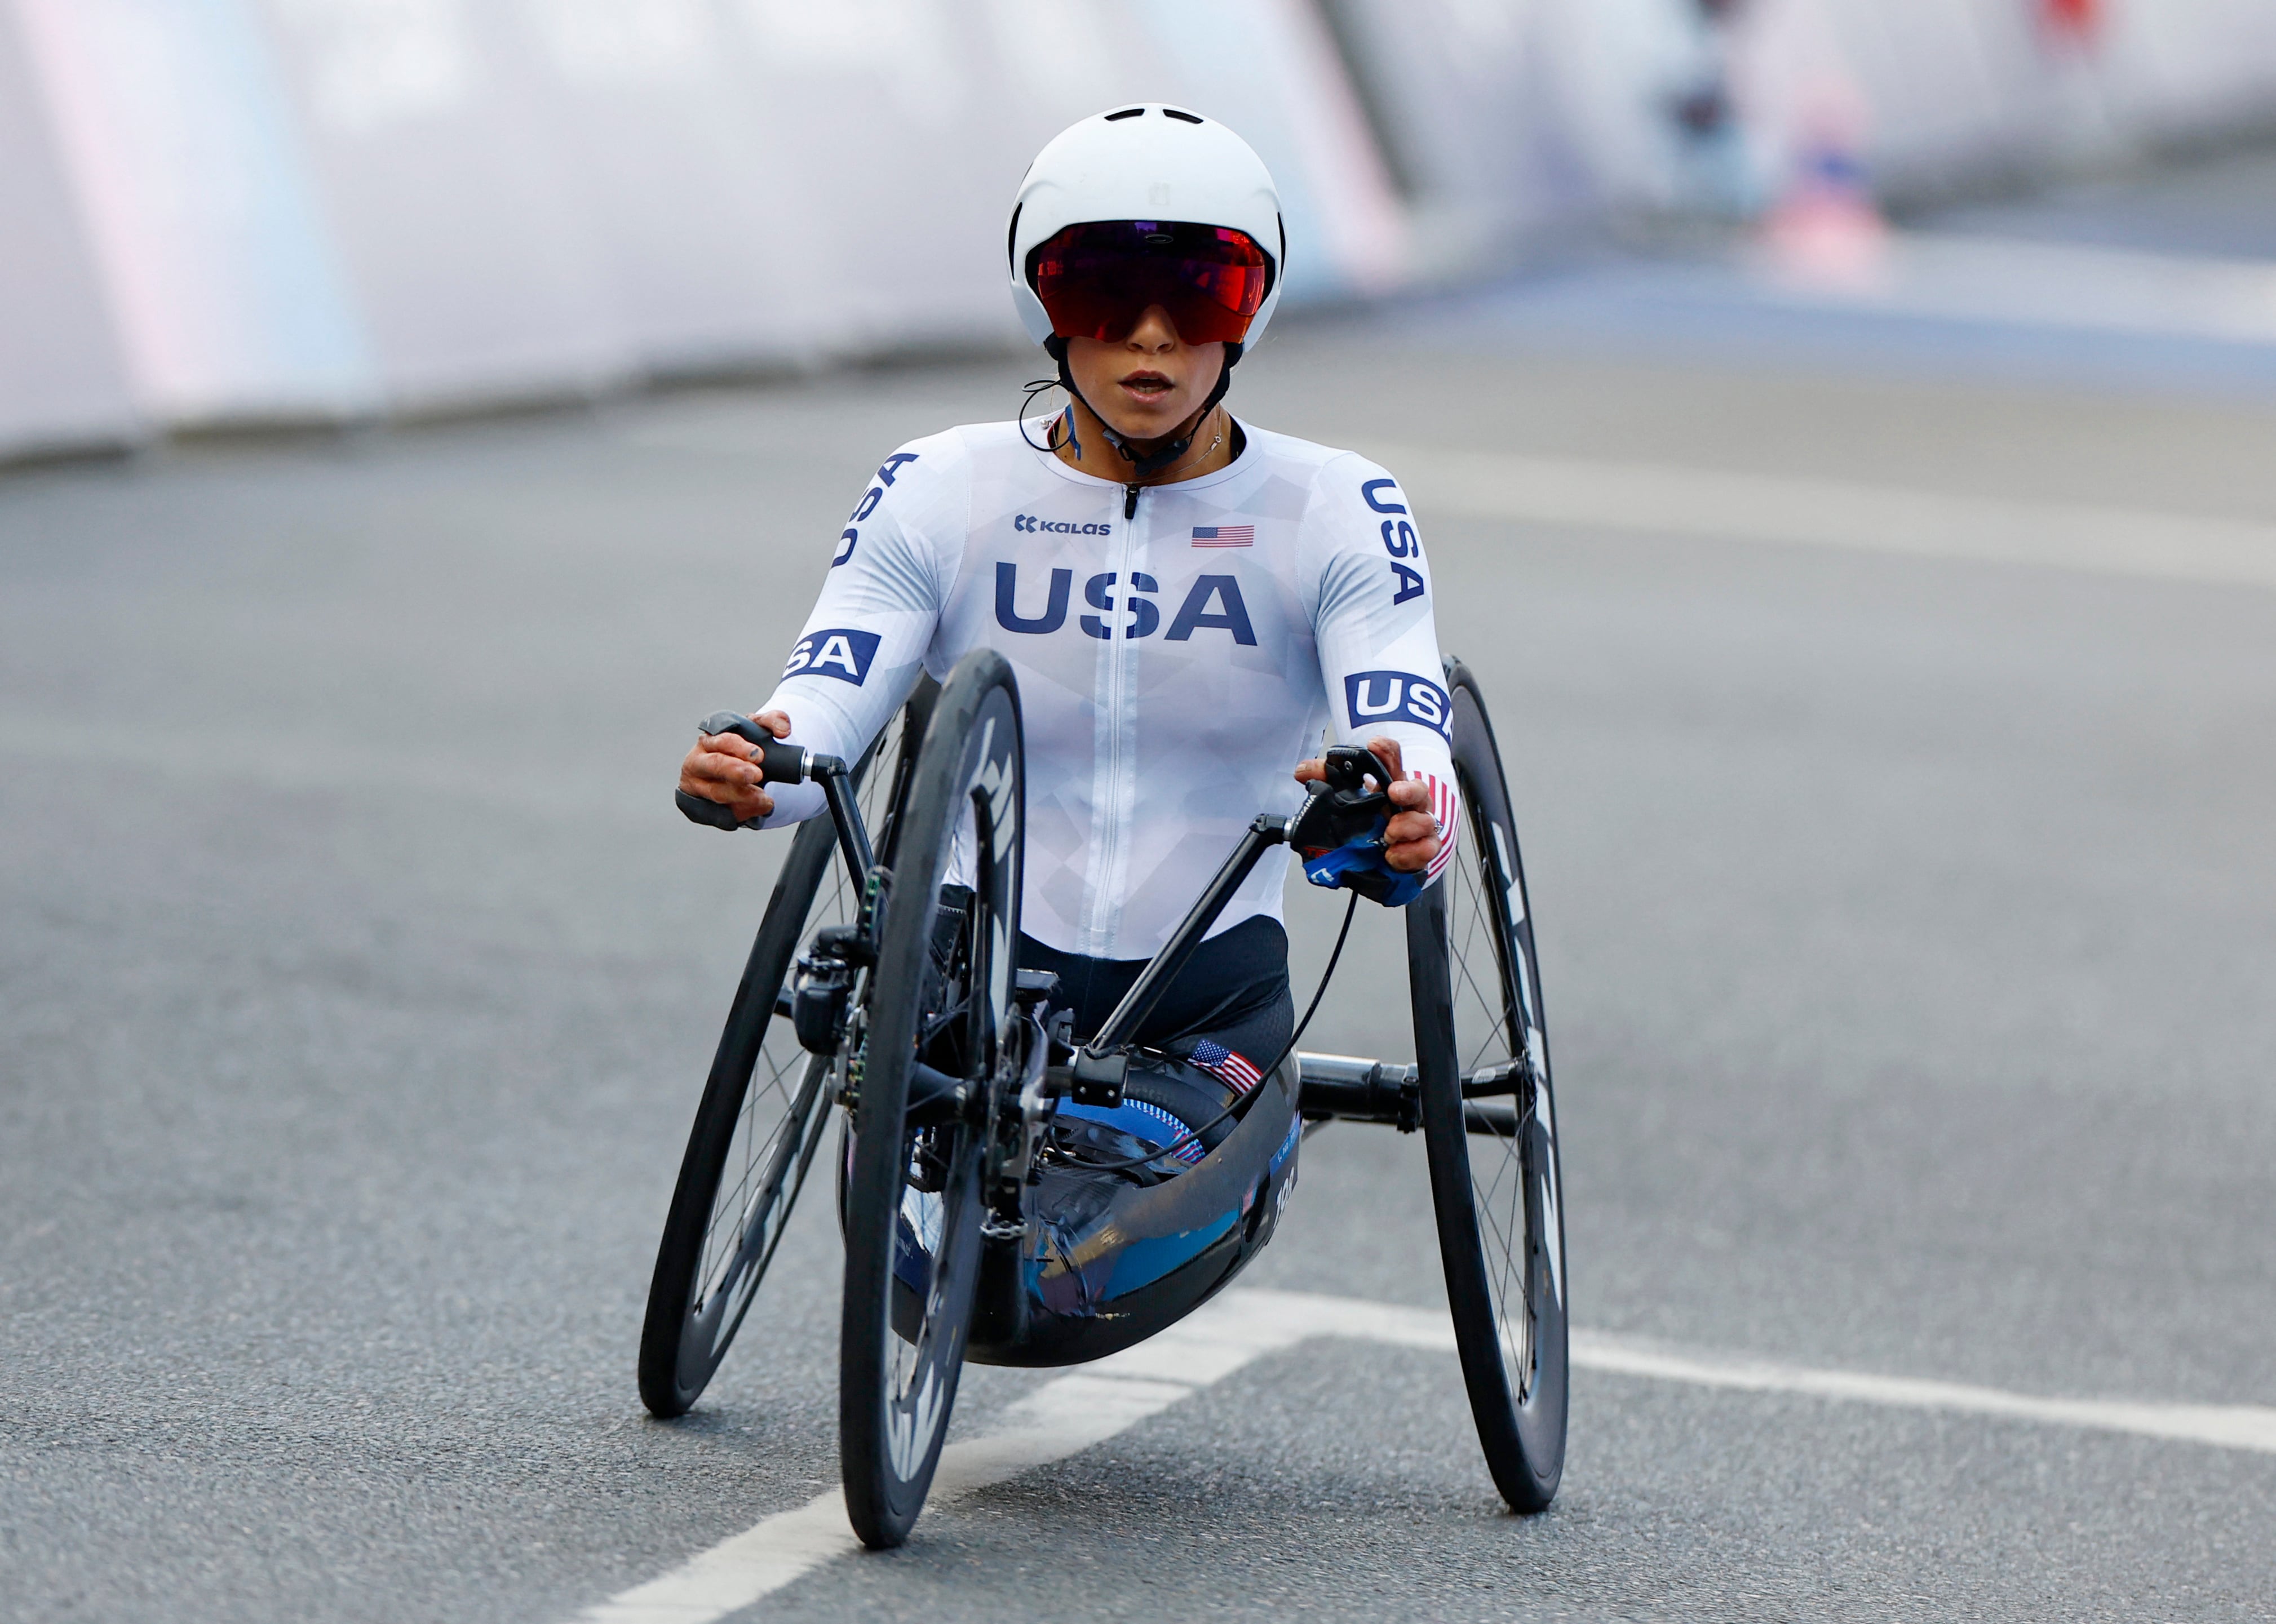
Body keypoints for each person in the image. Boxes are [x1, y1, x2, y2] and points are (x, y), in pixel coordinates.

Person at [677, 104, 1458, 1162]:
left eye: (1200, 292)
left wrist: (1405, 809)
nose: (1151, 333)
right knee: (972, 1204)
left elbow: (1404, 722)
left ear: (1250, 310)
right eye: (1099, 290)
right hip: (969, 975)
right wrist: (754, 769)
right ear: (1042, 303)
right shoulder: (940, 487)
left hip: (1205, 1001)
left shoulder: (1337, 503)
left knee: (1080, 1216)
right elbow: (821, 717)